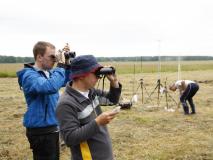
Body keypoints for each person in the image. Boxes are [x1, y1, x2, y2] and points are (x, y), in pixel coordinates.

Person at [56, 55, 122, 160]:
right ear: (82, 75)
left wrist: (114, 82)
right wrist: (98, 122)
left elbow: (112, 100)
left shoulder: (91, 92)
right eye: (96, 73)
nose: (99, 77)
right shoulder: (66, 104)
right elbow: (70, 138)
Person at [17, 41, 71, 160]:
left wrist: (66, 62)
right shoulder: (29, 75)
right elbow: (49, 87)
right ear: (39, 57)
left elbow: (68, 79)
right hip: (41, 130)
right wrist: (60, 66)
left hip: (51, 127)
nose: (55, 60)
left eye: (55, 57)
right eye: (52, 57)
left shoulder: (48, 74)